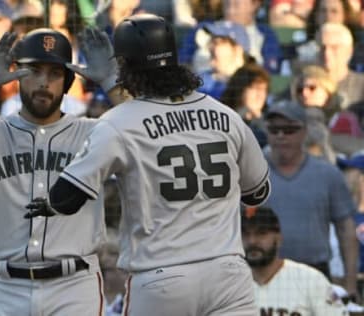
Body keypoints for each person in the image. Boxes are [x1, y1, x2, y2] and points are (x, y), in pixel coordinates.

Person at [28, 14, 271, 315]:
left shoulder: (117, 123)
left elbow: (65, 199)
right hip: (228, 276)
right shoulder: (225, 115)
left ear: (125, 67)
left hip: (162, 277)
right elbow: (257, 193)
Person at [0, 29, 106, 315]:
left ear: (67, 82)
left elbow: (147, 140)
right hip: (9, 287)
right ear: (17, 76)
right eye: (33, 71)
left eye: (54, 74)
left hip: (74, 286)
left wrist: (113, 85)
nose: (43, 83)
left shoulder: (94, 133)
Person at [262, 99, 359, 297]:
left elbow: (346, 229)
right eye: (274, 130)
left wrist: (350, 283)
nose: (281, 136)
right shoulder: (252, 174)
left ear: (304, 132)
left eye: (289, 130)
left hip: (315, 273)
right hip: (262, 274)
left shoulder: (327, 174)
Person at [241, 206, 348, 315]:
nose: (252, 241)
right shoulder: (229, 281)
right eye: (245, 234)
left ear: (278, 238)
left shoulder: (310, 279)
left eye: (261, 233)